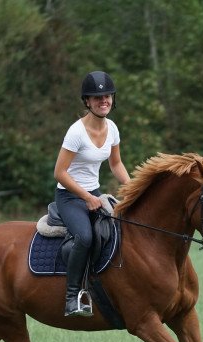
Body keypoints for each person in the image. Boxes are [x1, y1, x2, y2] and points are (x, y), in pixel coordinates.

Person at [54, 71, 130, 317]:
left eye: (107, 96)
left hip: (95, 193)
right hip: (69, 196)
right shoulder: (76, 132)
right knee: (85, 237)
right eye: (97, 97)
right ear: (87, 101)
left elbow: (116, 165)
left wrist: (133, 188)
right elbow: (60, 172)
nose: (103, 100)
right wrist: (86, 197)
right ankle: (71, 298)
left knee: (121, 229)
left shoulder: (113, 129)